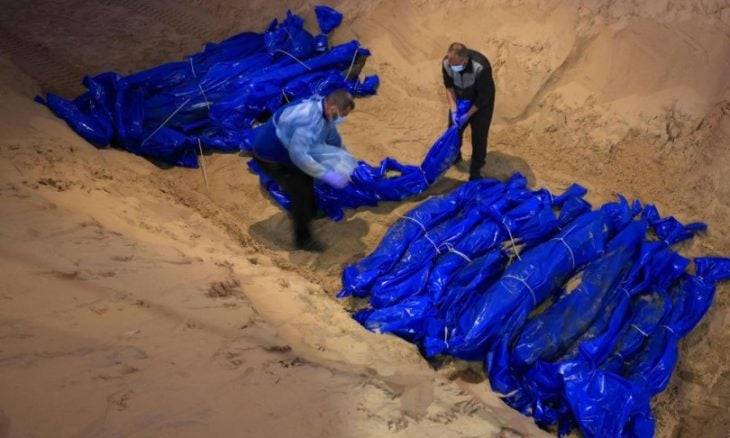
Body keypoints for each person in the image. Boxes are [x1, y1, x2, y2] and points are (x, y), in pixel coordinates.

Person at [252, 88, 355, 252]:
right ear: (333, 108)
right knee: (299, 192)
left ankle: (311, 211)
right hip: (270, 154)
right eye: (341, 115)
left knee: (306, 178)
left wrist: (342, 155)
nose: (341, 119)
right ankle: (303, 240)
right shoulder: (308, 121)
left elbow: (331, 134)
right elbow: (300, 157)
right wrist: (326, 174)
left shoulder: (324, 108)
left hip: (286, 147)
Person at [442, 42, 496, 181]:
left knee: (479, 137)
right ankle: (455, 157)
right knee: (454, 129)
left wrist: (467, 115)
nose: (452, 66)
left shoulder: (481, 67)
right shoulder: (447, 63)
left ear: (465, 60)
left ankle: (476, 170)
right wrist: (454, 110)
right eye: (450, 62)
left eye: (455, 64)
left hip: (481, 103)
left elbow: (484, 97)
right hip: (461, 98)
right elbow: (449, 87)